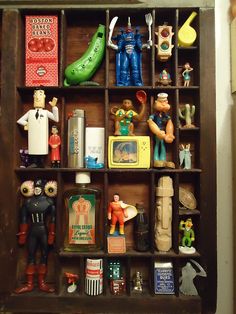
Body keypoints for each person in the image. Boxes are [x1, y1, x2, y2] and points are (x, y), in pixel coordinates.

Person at [15, 179, 57, 294]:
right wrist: (23, 234)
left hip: (43, 230)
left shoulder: (49, 201)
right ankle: (29, 285)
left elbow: (53, 219)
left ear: (43, 188)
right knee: (30, 256)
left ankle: (42, 283)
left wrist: (52, 234)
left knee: (44, 256)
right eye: (36, 187)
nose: (38, 189)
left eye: (40, 186)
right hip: (33, 230)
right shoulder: (28, 202)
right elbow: (23, 218)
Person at [17, 89, 59, 167]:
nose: (37, 98)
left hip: (42, 135)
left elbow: (56, 119)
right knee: (34, 148)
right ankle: (34, 162)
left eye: (40, 95)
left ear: (44, 97)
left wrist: (54, 107)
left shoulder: (45, 112)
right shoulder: (30, 112)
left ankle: (40, 162)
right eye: (36, 96)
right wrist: (28, 124)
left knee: (41, 148)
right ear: (33, 97)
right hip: (33, 135)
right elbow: (20, 120)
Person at [107, 17, 151, 86]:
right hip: (125, 53)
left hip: (133, 53)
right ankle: (122, 82)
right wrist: (111, 45)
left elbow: (140, 47)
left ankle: (136, 82)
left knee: (135, 68)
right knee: (123, 68)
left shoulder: (135, 36)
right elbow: (119, 48)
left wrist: (147, 44)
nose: (129, 29)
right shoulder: (123, 37)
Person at [147, 93, 175, 168]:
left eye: (165, 102)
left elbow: (169, 123)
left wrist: (169, 133)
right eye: (161, 102)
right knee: (157, 144)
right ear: (157, 102)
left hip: (164, 133)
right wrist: (157, 132)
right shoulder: (154, 115)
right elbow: (150, 121)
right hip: (157, 132)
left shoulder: (165, 115)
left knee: (162, 144)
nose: (163, 105)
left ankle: (163, 159)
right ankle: (156, 159)